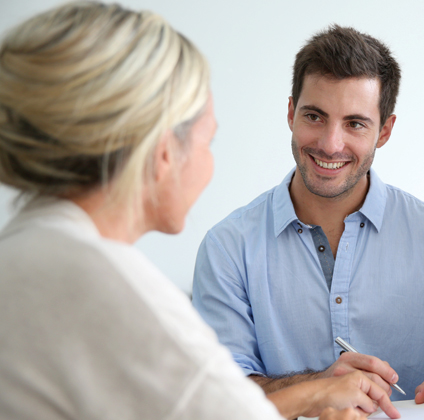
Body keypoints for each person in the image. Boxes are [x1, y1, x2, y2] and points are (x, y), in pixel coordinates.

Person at [0, 3, 398, 420]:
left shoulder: (29, 248)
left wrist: (312, 395)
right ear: (163, 151)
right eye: (208, 141)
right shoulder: (109, 288)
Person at [192, 24, 424, 410]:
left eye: (355, 123)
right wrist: (315, 387)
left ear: (385, 131)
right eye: (314, 116)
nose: (330, 144)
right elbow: (221, 388)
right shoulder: (227, 247)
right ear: (291, 113)